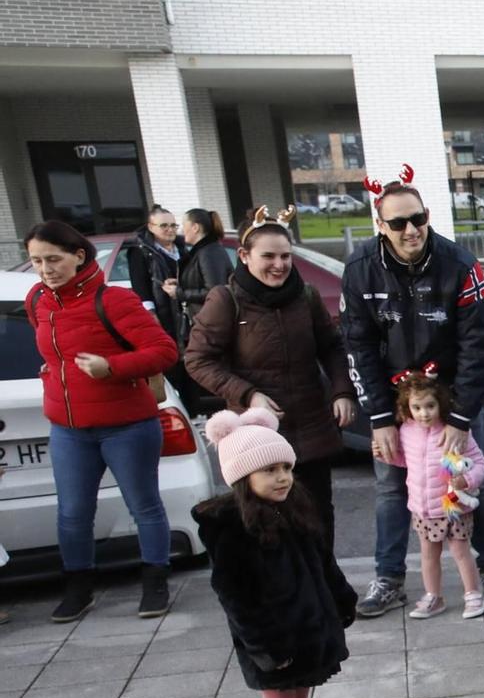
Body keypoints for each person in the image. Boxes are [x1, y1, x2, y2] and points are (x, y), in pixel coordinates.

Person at [341, 167, 484, 619]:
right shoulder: (359, 270)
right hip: (396, 402)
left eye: (419, 218)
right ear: (380, 225)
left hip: (452, 398)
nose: (411, 230)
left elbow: (479, 346)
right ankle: (389, 578)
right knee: (392, 489)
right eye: (398, 223)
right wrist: (377, 418)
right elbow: (358, 347)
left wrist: (461, 417)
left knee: (477, 485)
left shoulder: (461, 264)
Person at [193, 408, 358, 698]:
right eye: (269, 470)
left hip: (306, 628)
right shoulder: (232, 526)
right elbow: (235, 595)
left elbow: (323, 562)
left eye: (286, 467)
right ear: (242, 478)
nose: (282, 477)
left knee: (301, 697)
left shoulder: (295, 507)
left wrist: (341, 598)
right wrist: (264, 646)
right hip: (273, 637)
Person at [24, 220, 180, 623]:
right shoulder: (38, 300)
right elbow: (52, 352)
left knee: (143, 505)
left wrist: (111, 366)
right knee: (72, 512)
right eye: (37, 261)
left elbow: (164, 351)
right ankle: (78, 586)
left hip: (126, 424)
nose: (46, 269)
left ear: (78, 256)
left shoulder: (114, 301)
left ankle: (155, 581)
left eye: (53, 259)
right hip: (68, 429)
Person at [185, 208, 358, 535]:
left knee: (318, 520)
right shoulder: (226, 300)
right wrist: (249, 394)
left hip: (312, 430)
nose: (279, 265)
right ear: (244, 256)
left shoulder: (306, 296)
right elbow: (197, 359)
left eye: (285, 256)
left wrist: (342, 390)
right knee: (270, 527)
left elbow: (332, 347)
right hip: (257, 434)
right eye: (268, 256)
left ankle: (322, 584)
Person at [394, 371, 484, 621]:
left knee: (461, 551)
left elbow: (479, 463)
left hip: (454, 506)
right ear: (408, 407)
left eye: (429, 406)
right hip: (422, 507)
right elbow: (406, 461)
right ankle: (433, 596)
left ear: (441, 404)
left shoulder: (454, 432)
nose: (423, 413)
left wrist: (466, 479)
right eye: (417, 407)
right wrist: (386, 455)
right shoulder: (406, 430)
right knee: (428, 554)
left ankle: (473, 593)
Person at [128, 205, 184, 341]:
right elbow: (140, 286)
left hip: (185, 309)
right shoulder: (140, 251)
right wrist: (151, 314)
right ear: (151, 227)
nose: (170, 230)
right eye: (164, 225)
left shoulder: (182, 248)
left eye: (173, 225)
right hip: (162, 311)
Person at [176, 208, 234, 337]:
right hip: (205, 321)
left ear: (195, 227)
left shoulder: (208, 252)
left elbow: (214, 291)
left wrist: (178, 293)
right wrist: (180, 283)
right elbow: (201, 280)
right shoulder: (202, 251)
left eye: (183, 225)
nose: (181, 230)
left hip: (212, 325)